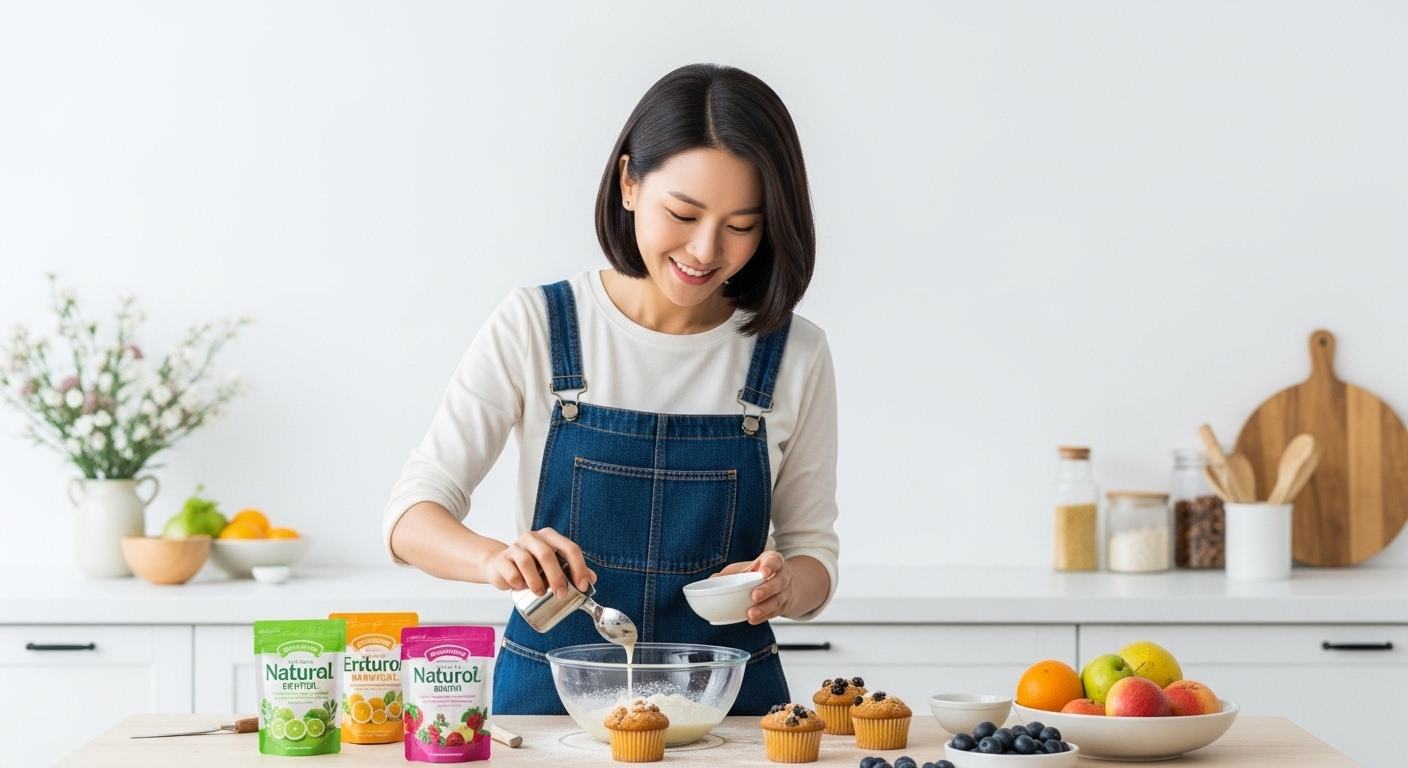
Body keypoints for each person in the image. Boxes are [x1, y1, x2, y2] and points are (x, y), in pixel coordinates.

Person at [384, 63, 839, 715]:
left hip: (725, 712)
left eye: (742, 225)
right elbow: (410, 517)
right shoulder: (537, 324)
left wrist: (787, 585)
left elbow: (813, 555)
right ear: (628, 183)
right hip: (552, 704)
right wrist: (498, 560)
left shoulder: (794, 353)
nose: (706, 250)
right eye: (682, 213)